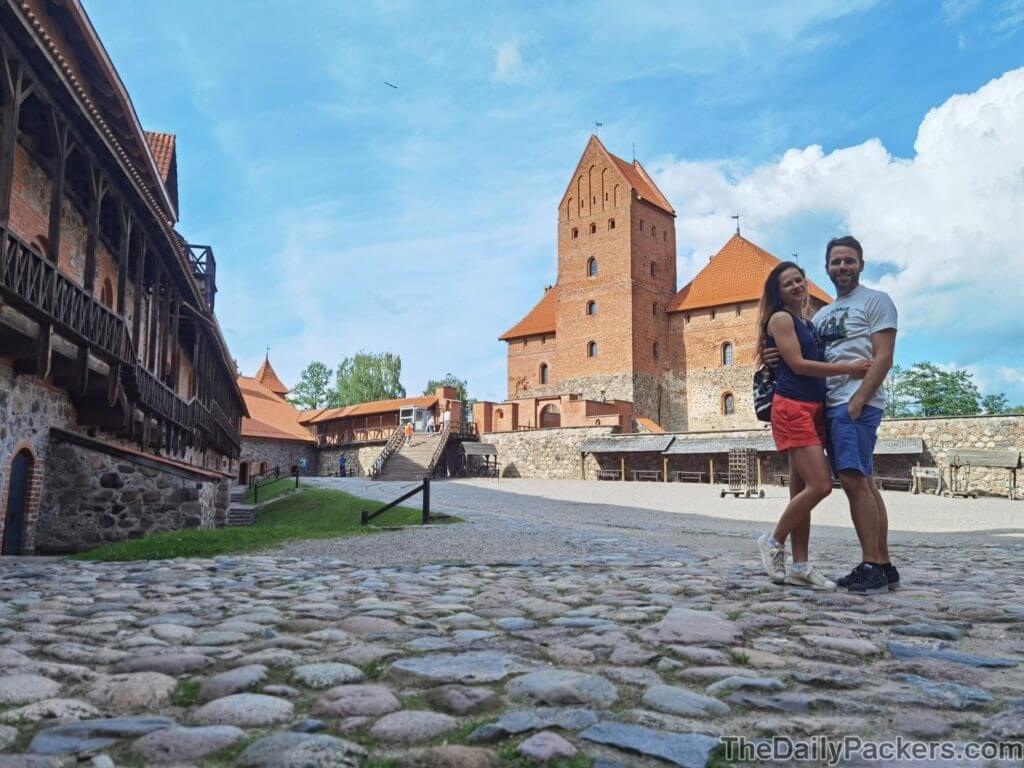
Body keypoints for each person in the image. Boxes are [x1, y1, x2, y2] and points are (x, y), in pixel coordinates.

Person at [756, 261, 871, 590]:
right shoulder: (780, 318)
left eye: (799, 280)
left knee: (799, 490)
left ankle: (801, 566)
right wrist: (848, 368)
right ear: (777, 292)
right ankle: (773, 541)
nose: (796, 286)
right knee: (820, 485)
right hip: (792, 407)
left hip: (811, 409)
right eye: (787, 283)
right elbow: (797, 364)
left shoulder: (807, 322)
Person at [814, 235, 898, 595]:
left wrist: (860, 398)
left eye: (849, 261)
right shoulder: (821, 314)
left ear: (861, 264)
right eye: (836, 261)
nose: (843, 267)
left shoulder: (876, 301)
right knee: (863, 480)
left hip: (854, 404)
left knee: (851, 479)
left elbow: (883, 356)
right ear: (827, 267)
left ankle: (872, 565)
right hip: (833, 403)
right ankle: (883, 564)